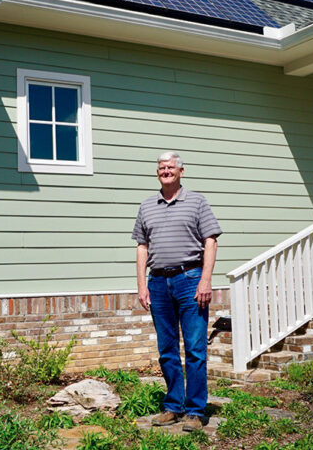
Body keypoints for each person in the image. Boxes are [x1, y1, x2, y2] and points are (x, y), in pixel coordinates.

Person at [132, 151, 221, 432]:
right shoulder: (147, 206)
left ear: (182, 171)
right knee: (167, 349)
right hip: (158, 283)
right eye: (161, 167)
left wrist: (205, 280)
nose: (165, 171)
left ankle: (195, 411)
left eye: (170, 167)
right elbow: (142, 247)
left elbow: (210, 241)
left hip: (190, 279)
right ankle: (173, 406)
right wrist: (141, 285)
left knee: (195, 349)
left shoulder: (197, 202)